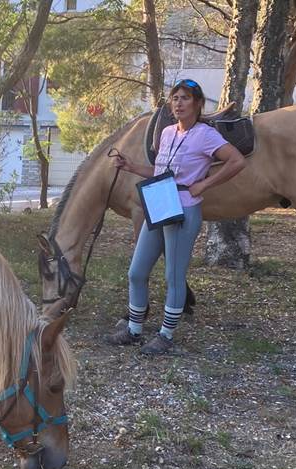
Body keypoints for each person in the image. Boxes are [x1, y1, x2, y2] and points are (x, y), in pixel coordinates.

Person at [105, 79, 247, 355]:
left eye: (184, 98)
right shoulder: (168, 132)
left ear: (197, 103)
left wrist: (204, 185)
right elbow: (159, 172)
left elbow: (237, 161)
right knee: (136, 272)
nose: (178, 103)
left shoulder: (206, 135)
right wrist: (130, 165)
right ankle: (134, 330)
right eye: (175, 98)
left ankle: (166, 336)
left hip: (184, 208)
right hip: (159, 204)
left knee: (174, 275)